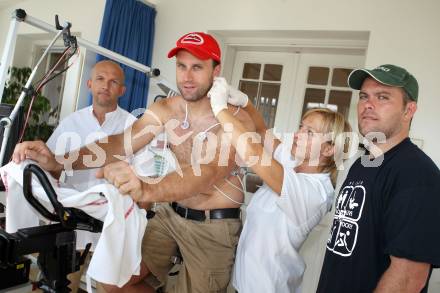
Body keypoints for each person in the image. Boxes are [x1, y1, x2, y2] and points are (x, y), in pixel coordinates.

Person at [13, 32, 254, 293]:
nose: (186, 76)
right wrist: (60, 162)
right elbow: (120, 143)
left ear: (216, 71)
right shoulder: (167, 109)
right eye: (182, 66)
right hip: (170, 214)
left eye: (197, 67)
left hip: (212, 225)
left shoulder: (233, 118)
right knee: (114, 279)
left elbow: (207, 173)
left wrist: (147, 188)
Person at [208, 78, 352, 292]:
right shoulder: (293, 162)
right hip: (244, 281)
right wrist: (245, 102)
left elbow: (253, 153)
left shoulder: (315, 193)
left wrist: (220, 109)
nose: (297, 134)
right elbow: (261, 130)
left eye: (309, 132)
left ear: (329, 150)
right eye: (301, 127)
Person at [316, 64, 440, 293]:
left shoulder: (417, 174)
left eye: (382, 97)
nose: (367, 105)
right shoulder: (363, 163)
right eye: (364, 96)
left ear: (408, 110)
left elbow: (408, 280)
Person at [46, 60, 136, 293]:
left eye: (113, 81)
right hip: (72, 222)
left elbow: (144, 178)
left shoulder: (133, 127)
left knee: (111, 288)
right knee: (63, 284)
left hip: (112, 225)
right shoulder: (71, 123)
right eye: (100, 79)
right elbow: (51, 167)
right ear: (89, 84)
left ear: (122, 90)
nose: (106, 85)